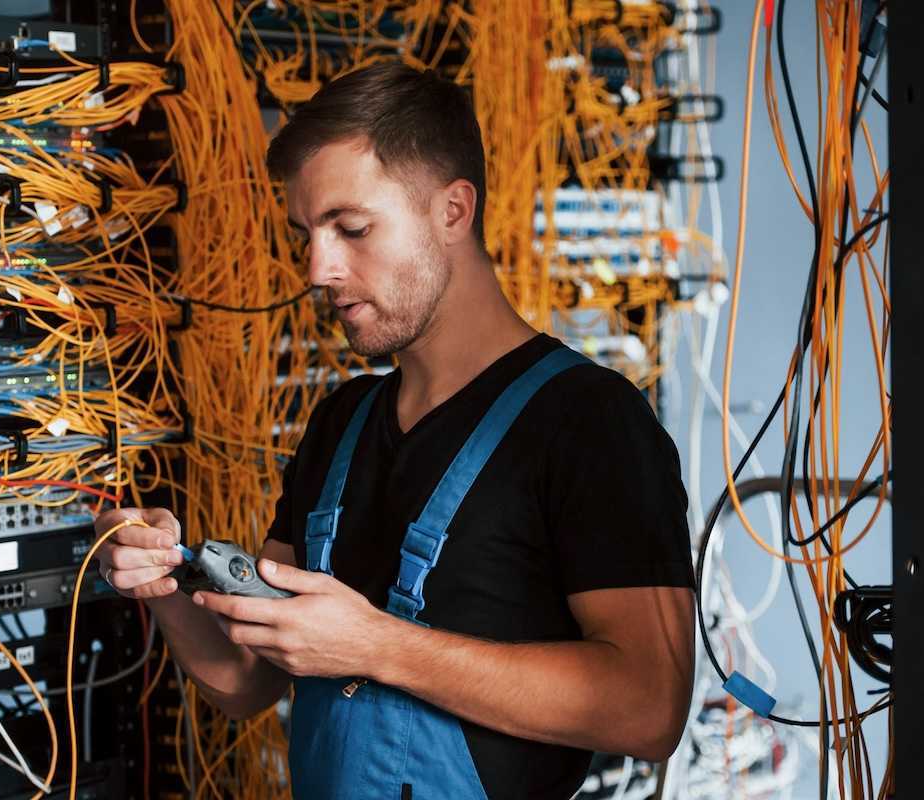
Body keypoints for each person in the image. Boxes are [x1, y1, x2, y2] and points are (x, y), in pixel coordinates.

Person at [94, 62, 695, 800]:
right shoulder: (342, 422)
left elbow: (650, 706)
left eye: (351, 228)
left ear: (453, 210)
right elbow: (248, 681)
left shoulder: (590, 423)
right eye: (308, 234)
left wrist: (378, 646)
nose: (319, 268)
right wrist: (162, 587)